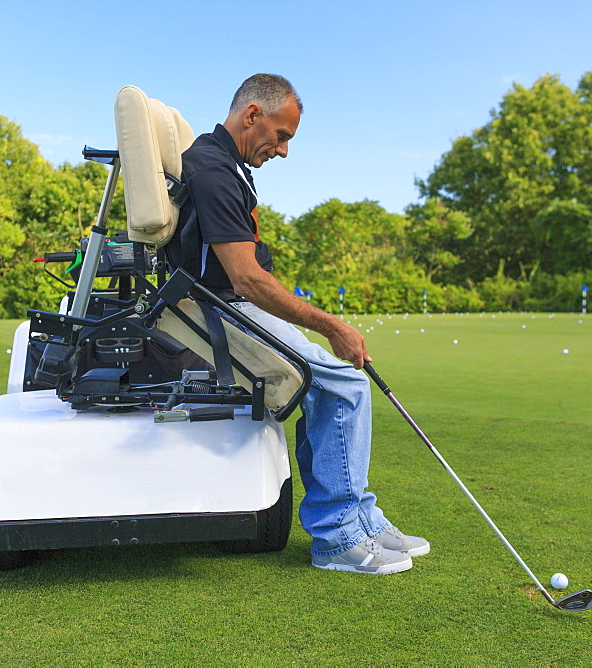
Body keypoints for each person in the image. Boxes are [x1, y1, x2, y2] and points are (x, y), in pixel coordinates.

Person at [167, 74, 430, 574]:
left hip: (226, 307)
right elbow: (246, 279)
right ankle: (338, 539)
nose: (284, 150)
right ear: (252, 116)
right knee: (348, 385)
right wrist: (330, 325)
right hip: (221, 312)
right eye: (281, 135)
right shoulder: (214, 170)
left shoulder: (224, 164)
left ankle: (360, 519)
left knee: (336, 386)